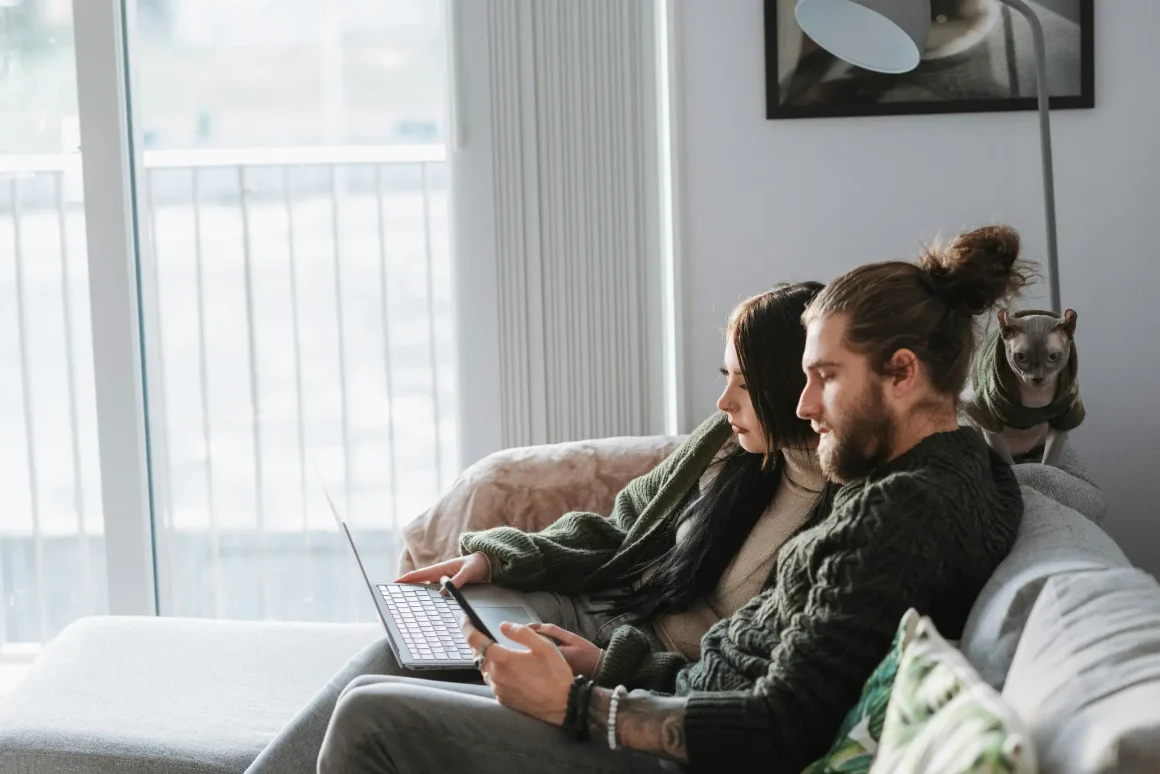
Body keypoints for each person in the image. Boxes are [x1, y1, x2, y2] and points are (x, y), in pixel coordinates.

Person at [315, 225, 1032, 774]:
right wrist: (602, 670)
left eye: (826, 376)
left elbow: (780, 724)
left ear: (903, 372)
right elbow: (740, 665)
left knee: (370, 716)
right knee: (410, 659)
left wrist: (578, 702)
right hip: (657, 695)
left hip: (659, 747)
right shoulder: (946, 472)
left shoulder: (903, 510)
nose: (806, 403)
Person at [245, 282, 829, 773]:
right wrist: (501, 560)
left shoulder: (836, 528)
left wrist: (605, 668)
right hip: (608, 615)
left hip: (639, 682)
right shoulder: (733, 449)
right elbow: (623, 528)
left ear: (794, 384)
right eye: (725, 375)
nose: (723, 400)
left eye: (745, 384)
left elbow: (740, 694)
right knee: (402, 648)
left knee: (366, 710)